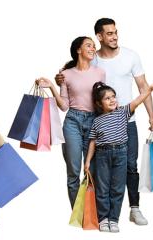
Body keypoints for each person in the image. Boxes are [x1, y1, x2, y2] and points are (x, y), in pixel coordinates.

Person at [55, 18, 153, 225]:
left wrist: (152, 115)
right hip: (99, 122)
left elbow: (143, 86)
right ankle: (95, 215)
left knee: (130, 165)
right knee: (100, 170)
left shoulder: (131, 56)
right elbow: (74, 69)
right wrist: (59, 79)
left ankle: (134, 209)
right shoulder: (93, 60)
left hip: (127, 119)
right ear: (99, 37)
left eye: (116, 32)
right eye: (109, 33)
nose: (114, 36)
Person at [36, 36, 105, 208]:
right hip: (73, 122)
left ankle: (94, 212)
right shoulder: (65, 75)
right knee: (73, 171)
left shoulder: (100, 72)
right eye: (88, 45)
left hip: (94, 122)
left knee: (93, 170)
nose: (93, 48)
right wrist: (52, 86)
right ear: (78, 50)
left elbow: (103, 99)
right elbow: (64, 106)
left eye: (94, 46)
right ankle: (78, 213)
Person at [84, 79, 153, 232]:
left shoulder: (123, 112)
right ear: (99, 104)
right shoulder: (96, 121)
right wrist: (87, 162)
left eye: (113, 96)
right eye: (107, 98)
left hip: (121, 154)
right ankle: (103, 219)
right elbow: (92, 142)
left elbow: (138, 100)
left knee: (118, 188)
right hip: (102, 155)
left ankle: (114, 219)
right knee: (103, 188)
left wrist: (149, 89)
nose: (112, 100)